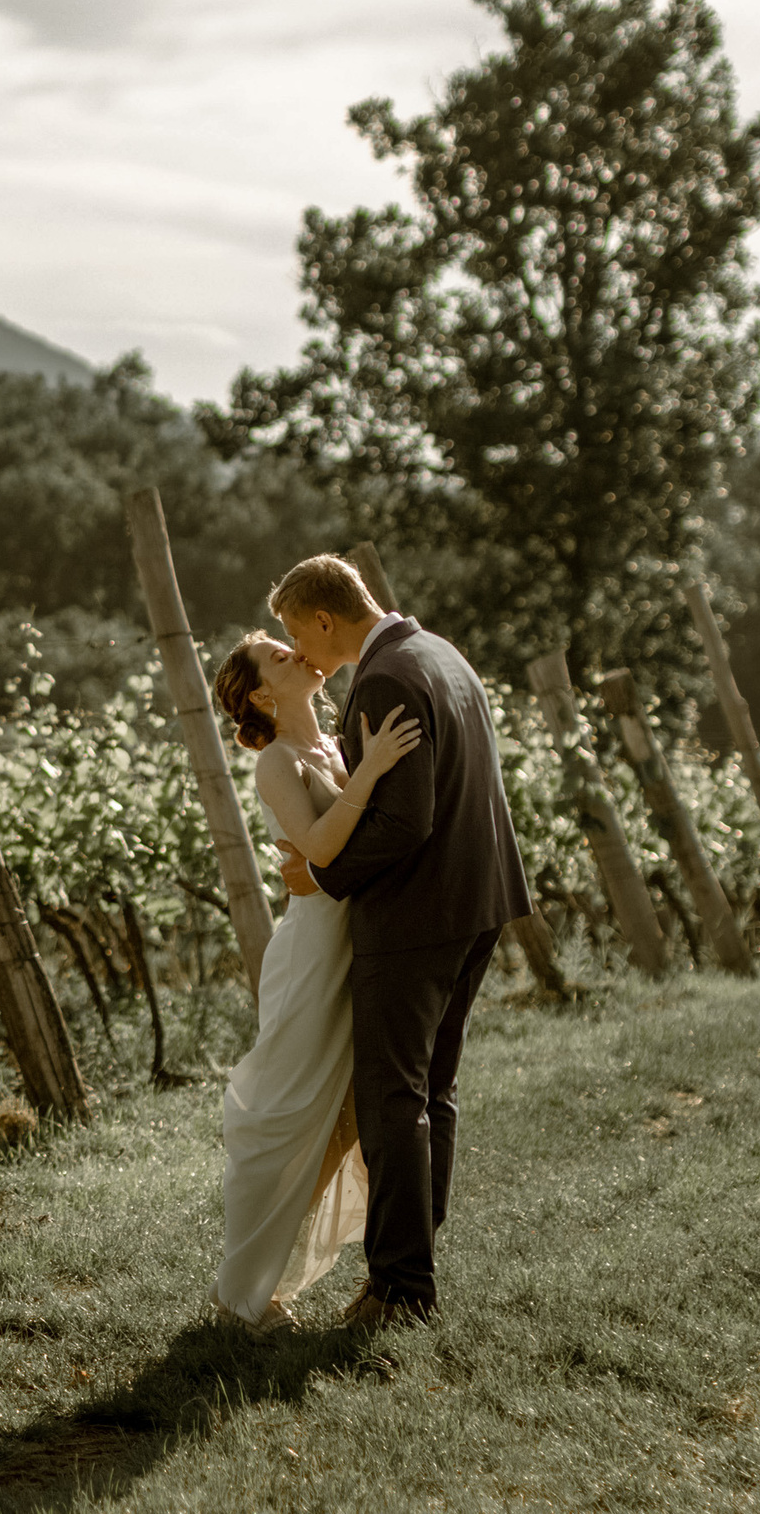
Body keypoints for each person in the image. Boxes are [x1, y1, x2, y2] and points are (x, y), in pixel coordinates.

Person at [267, 555, 530, 1331]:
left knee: (391, 1096)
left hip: (416, 915)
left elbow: (404, 820)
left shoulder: (382, 680)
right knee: (430, 1087)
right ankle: (413, 1264)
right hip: (479, 899)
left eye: (298, 634)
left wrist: (325, 872)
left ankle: (401, 1289)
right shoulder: (440, 653)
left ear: (325, 619)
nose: (302, 654)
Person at [206, 628, 421, 1330]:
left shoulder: (333, 743)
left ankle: (272, 1267)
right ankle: (240, 1294)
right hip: (311, 953)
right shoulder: (276, 761)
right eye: (277, 654)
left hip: (356, 944)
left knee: (342, 1116)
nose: (295, 651)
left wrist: (366, 765)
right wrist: (374, 767)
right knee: (282, 1115)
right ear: (262, 694)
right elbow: (323, 848)